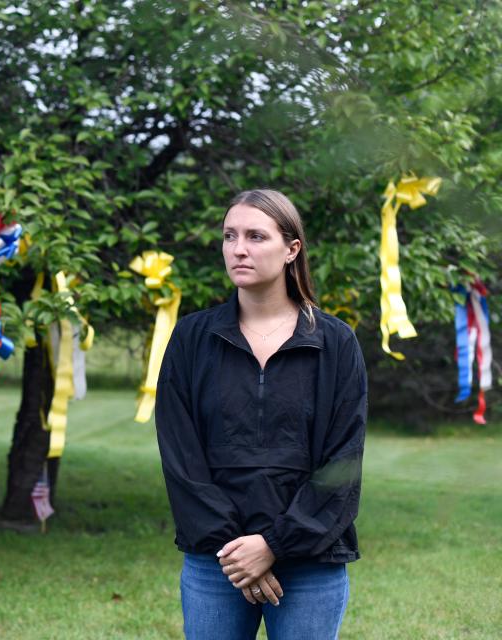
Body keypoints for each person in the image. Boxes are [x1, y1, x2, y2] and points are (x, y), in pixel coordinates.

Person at [155, 189, 367, 640]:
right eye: (230, 236)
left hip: (311, 563)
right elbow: (180, 454)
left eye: (255, 236)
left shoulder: (335, 343)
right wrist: (237, 552)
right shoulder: (193, 338)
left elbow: (342, 462)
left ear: (292, 249)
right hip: (218, 562)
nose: (239, 249)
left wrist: (275, 544)